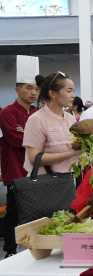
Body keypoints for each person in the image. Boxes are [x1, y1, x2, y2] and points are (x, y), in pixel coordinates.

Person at [0, 55, 39, 258]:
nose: (33, 93)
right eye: (28, 88)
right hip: (15, 170)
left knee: (35, 212)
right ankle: (9, 250)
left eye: (36, 89)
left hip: (35, 170)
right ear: (17, 89)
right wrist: (34, 138)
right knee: (14, 212)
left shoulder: (36, 112)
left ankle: (33, 246)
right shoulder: (7, 113)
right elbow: (16, 140)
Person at [23, 71, 79, 178]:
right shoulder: (37, 119)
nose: (73, 96)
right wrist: (71, 154)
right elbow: (34, 158)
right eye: (69, 91)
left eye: (73, 91)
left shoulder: (70, 118)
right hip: (46, 183)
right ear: (52, 94)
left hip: (68, 179)